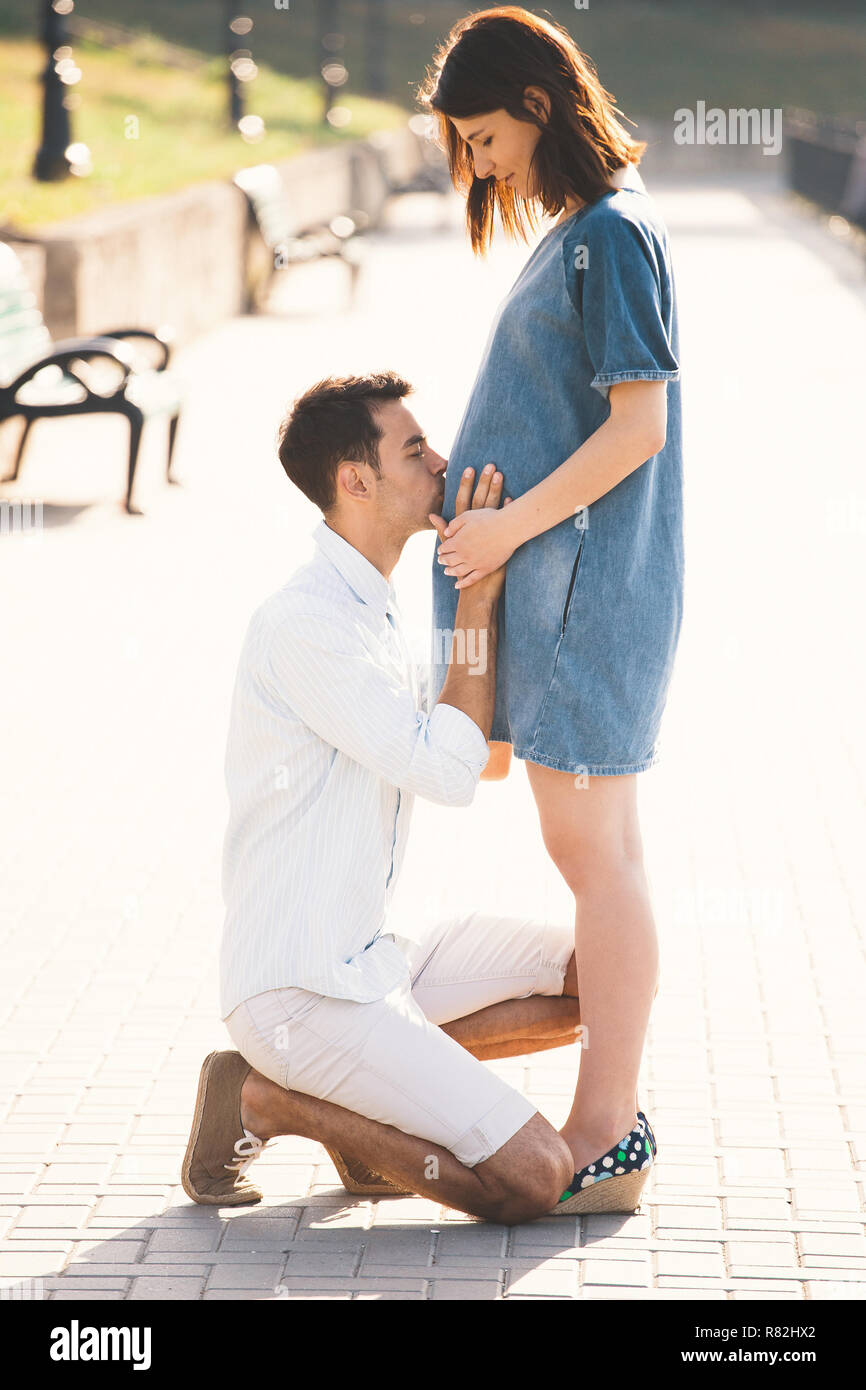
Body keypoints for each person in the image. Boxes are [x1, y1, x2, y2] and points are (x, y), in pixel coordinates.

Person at [182, 371, 619, 1226]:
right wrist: (482, 586)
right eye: (415, 451)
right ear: (356, 480)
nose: (442, 464)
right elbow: (452, 772)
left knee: (601, 973)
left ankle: (371, 1105)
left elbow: (472, 754)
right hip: (303, 995)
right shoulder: (305, 626)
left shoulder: (371, 610)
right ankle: (273, 1101)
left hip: (376, 963)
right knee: (535, 1176)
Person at [421, 5, 679, 1212]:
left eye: (479, 139)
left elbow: (639, 427)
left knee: (595, 859)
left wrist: (504, 528)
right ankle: (608, 1123)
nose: (477, 165)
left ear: (533, 105)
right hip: (569, 591)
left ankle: (606, 1130)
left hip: (582, 590)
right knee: (598, 855)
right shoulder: (587, 232)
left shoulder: (608, 238)